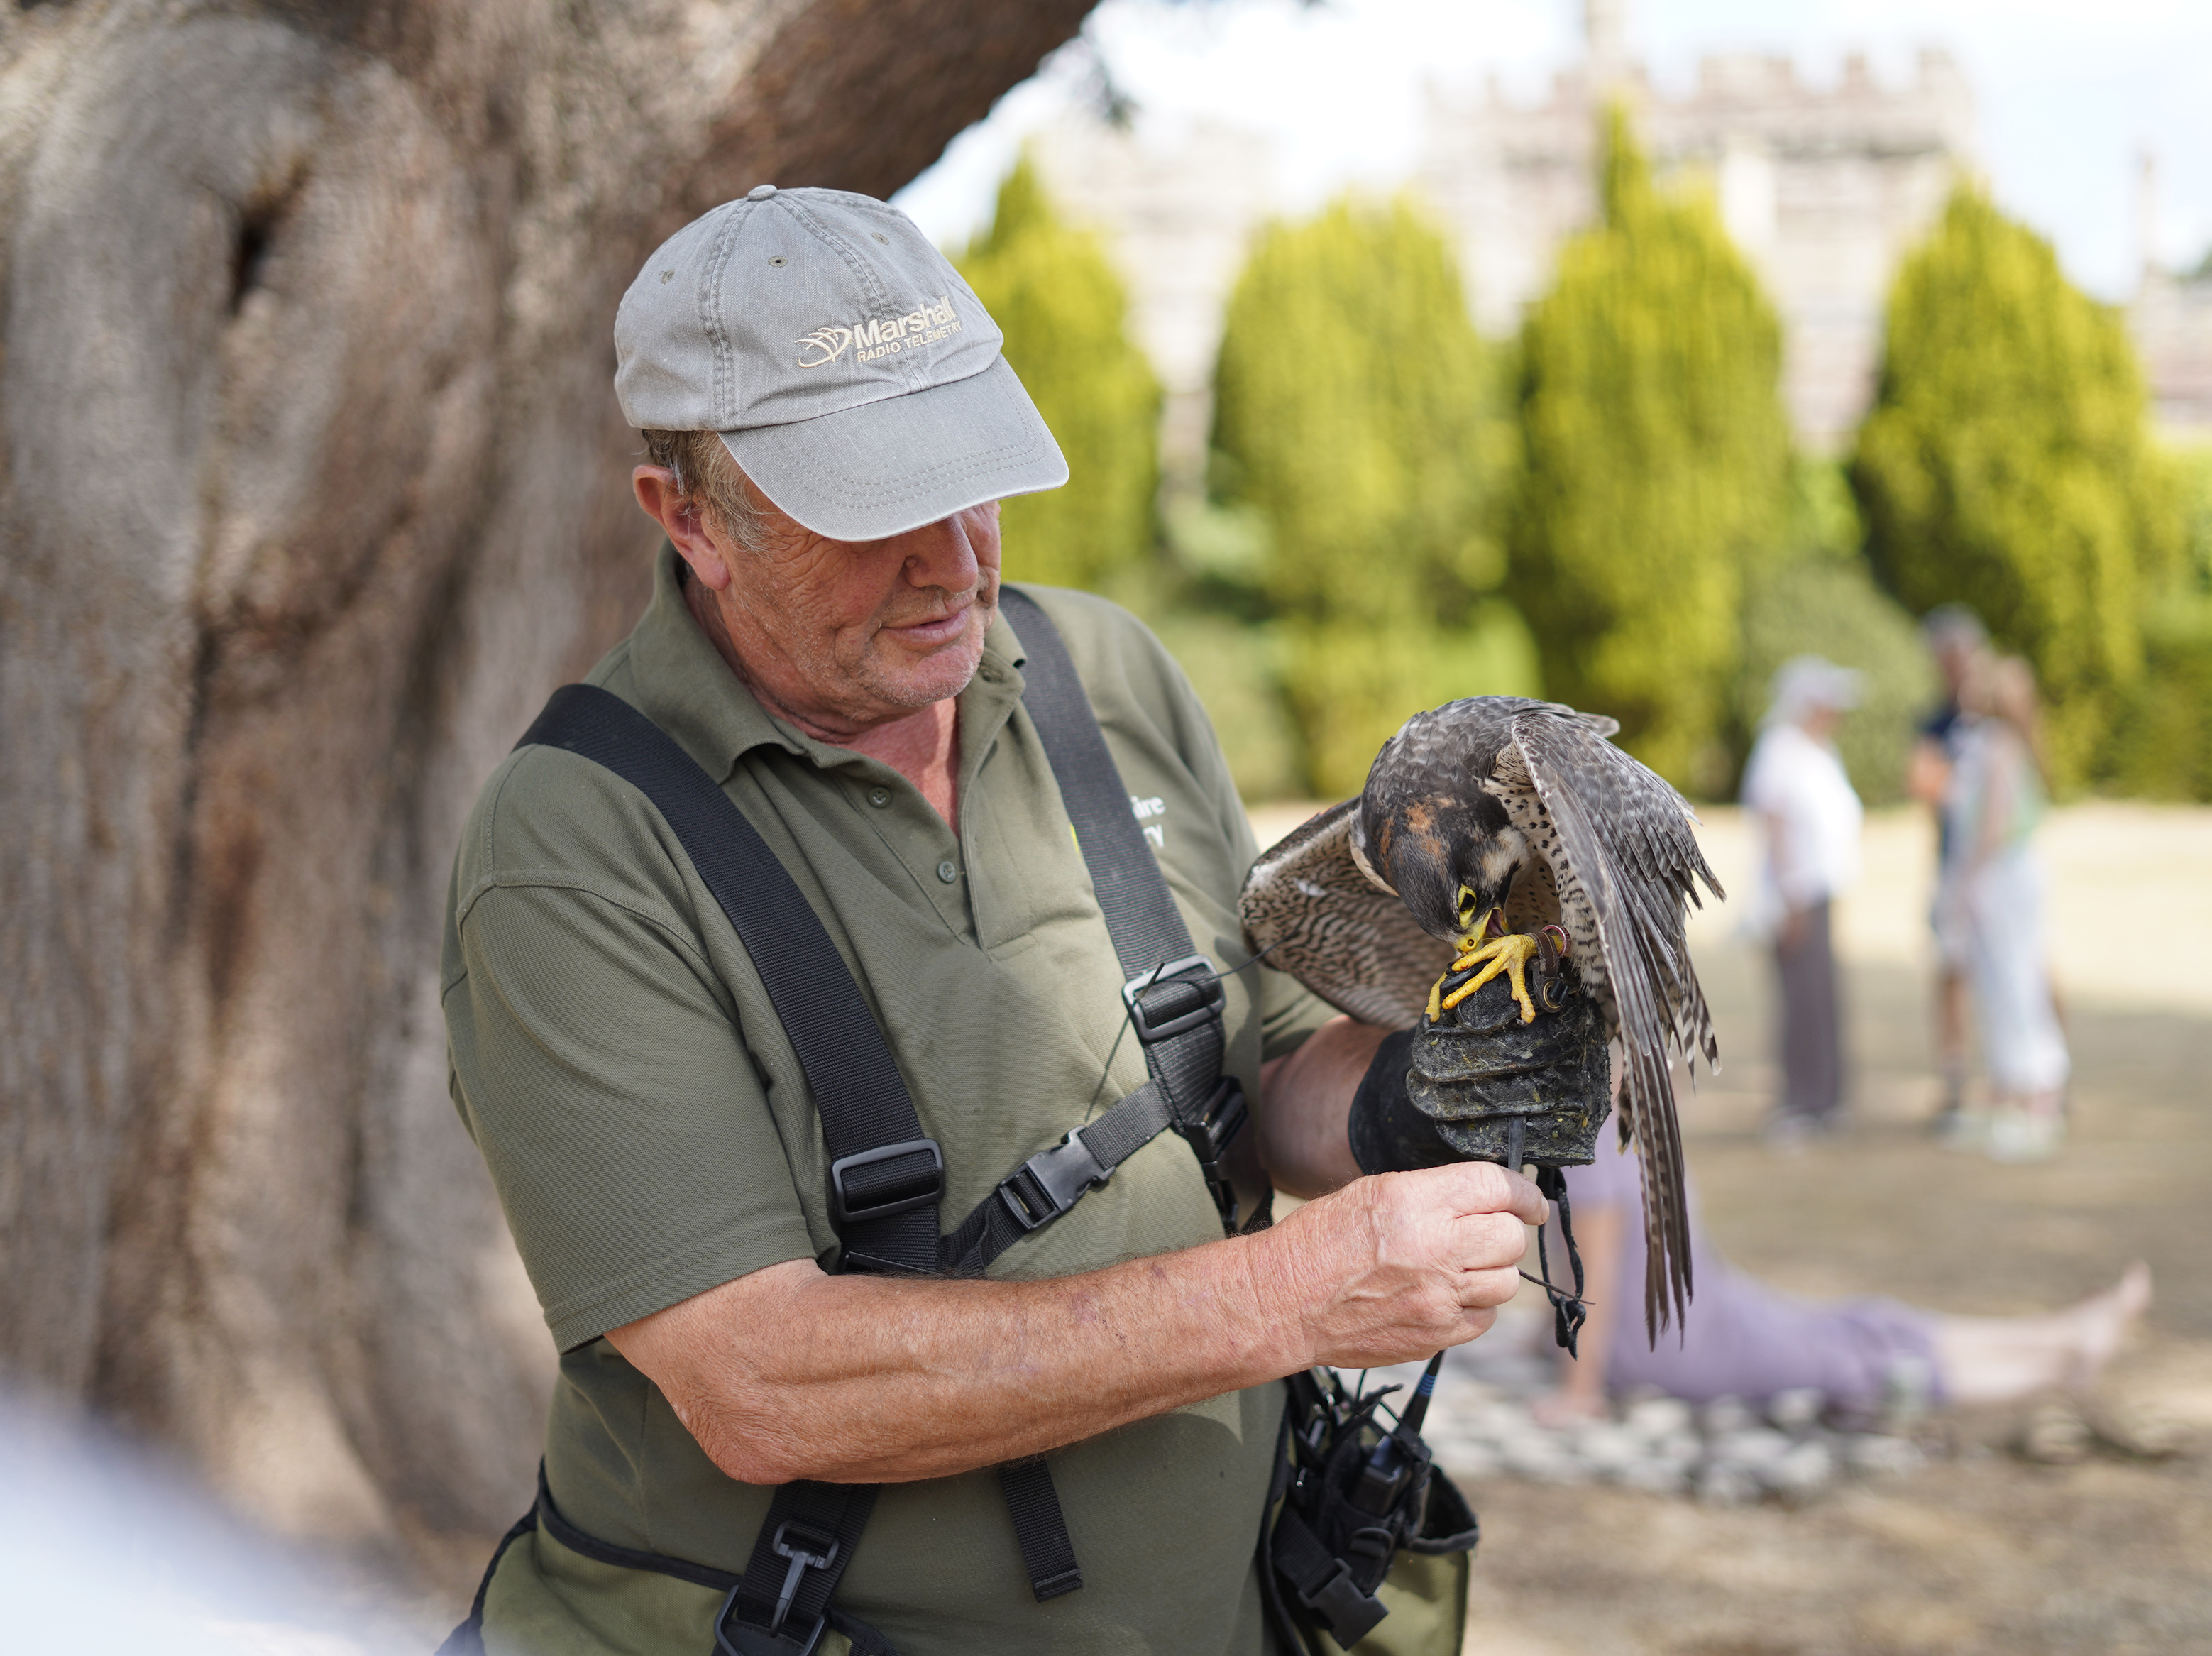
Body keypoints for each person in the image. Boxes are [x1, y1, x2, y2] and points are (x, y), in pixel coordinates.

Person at [439, 186, 1549, 1655]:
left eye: (968, 472)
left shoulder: (1111, 676)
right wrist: (1297, 1290)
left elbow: (1262, 1090)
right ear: (689, 520)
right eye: (872, 502)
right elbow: (763, 1378)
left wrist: (1447, 1073)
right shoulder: (576, 843)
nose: (956, 559)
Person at [1534, 1117, 2151, 1427]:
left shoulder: (1615, 1110)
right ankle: (2060, 1360)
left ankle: (2066, 1335)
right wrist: (1580, 1392)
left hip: (1703, 1312)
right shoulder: (1590, 1127)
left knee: (1865, 1322)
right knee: (1861, 1363)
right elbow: (1588, 1271)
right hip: (1677, 1344)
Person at [1939, 654, 2069, 1162]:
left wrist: (1968, 879)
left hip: (2003, 875)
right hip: (2010, 873)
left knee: (2014, 983)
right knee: (2004, 984)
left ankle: (2036, 1099)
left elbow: (1991, 823)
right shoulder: (2006, 742)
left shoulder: (1998, 745)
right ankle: (2015, 1094)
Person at [1740, 656, 1866, 1145]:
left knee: (1825, 998)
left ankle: (1828, 1098)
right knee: (1801, 1000)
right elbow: (1778, 824)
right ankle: (1801, 1100)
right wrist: (1790, 895)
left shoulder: (1820, 752)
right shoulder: (1780, 749)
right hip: (1795, 893)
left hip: (1820, 892)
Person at [1908, 605, 1988, 1135]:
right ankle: (1956, 1081)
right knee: (1951, 974)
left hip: (1999, 869)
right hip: (1952, 864)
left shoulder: (2001, 717)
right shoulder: (1935, 721)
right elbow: (1925, 785)